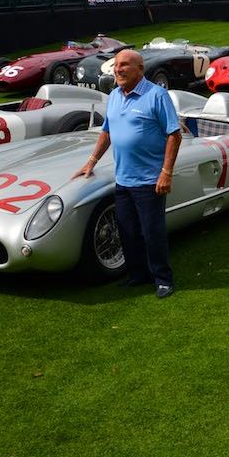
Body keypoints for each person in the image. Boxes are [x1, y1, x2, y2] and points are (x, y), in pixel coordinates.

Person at [75, 49, 181, 298]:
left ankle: (163, 279)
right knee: (127, 231)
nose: (118, 70)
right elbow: (107, 132)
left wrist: (166, 172)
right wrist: (91, 161)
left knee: (152, 233)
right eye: (116, 66)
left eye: (124, 65)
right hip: (123, 179)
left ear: (140, 69)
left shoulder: (156, 95)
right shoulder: (113, 96)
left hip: (149, 181)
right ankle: (138, 275)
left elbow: (173, 134)